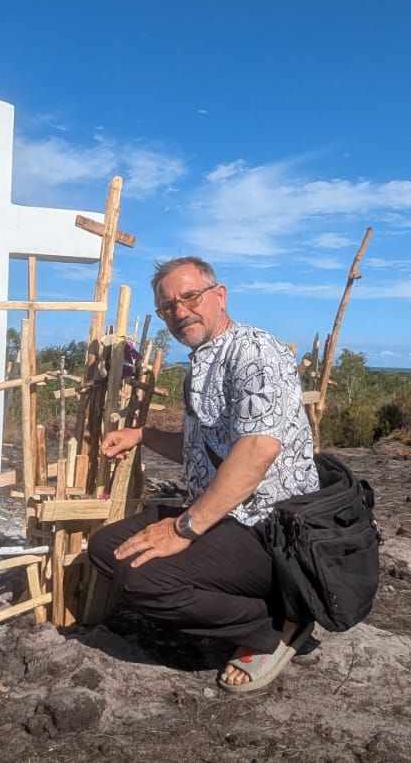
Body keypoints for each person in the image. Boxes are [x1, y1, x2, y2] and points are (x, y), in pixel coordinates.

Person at [87, 256, 319, 693]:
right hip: (228, 518)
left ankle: (272, 628)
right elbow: (200, 449)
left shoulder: (253, 351)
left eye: (189, 296)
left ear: (219, 295)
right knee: (107, 548)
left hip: (272, 531)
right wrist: (141, 435)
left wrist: (184, 528)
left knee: (142, 578)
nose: (179, 312)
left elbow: (257, 450)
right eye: (167, 306)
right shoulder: (203, 362)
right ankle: (244, 604)